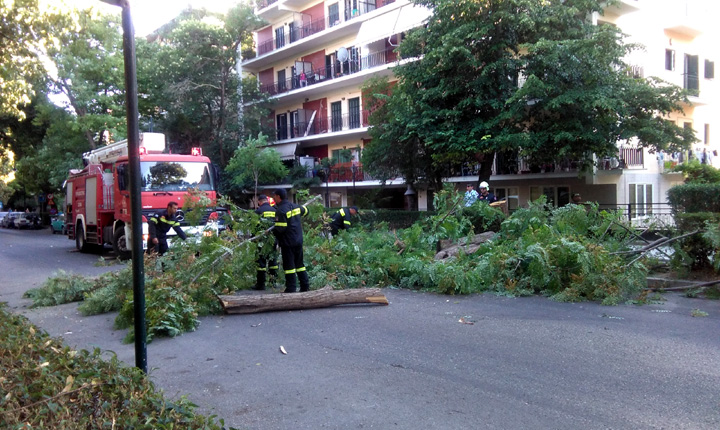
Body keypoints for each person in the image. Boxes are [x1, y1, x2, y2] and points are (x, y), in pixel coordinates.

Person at [272, 188, 310, 293]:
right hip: (298, 240)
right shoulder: (295, 207)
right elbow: (306, 211)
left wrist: (271, 231)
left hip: (288, 242)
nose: (273, 198)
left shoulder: (280, 211)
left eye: (274, 196)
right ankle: (305, 286)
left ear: (278, 197)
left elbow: (280, 228)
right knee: (300, 265)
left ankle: (291, 288)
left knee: (289, 266)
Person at [253, 194, 278, 290]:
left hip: (261, 240)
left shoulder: (258, 211)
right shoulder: (275, 211)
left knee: (261, 263)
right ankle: (273, 283)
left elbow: (254, 227)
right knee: (273, 261)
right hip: (273, 239)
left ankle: (260, 284)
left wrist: (254, 238)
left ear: (259, 201)